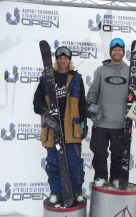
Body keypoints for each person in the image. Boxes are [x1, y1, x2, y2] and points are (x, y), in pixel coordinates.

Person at [33, 46, 88, 205]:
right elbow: (37, 102)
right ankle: (56, 192)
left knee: (75, 164)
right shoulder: (46, 78)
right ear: (56, 60)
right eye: (60, 58)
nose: (63, 60)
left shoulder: (76, 78)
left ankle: (76, 191)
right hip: (52, 129)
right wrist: (45, 113)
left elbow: (82, 103)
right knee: (53, 164)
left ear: (69, 60)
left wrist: (83, 123)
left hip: (72, 129)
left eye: (66, 58)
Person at [86, 38, 129, 189]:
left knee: (118, 154)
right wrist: (91, 106)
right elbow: (93, 91)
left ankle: (116, 176)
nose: (117, 52)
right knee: (99, 153)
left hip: (120, 122)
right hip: (101, 121)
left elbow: (135, 94)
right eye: (114, 49)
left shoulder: (130, 71)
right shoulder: (101, 70)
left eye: (120, 49)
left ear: (123, 52)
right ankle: (100, 175)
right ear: (110, 52)